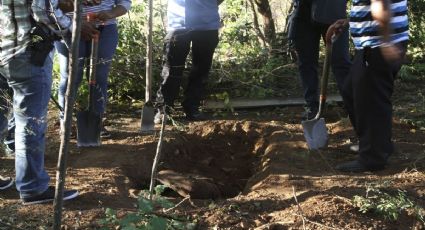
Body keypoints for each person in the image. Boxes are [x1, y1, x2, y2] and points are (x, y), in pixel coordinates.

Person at [0, 0, 79, 204]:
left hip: (3, 50)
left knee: (3, 115)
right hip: (27, 53)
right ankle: (32, 188)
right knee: (30, 122)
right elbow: (43, 9)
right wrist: (72, 26)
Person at [326, 0, 409, 172]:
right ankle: (374, 144)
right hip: (372, 45)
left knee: (371, 101)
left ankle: (373, 158)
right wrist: (351, 21)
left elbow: (381, 4)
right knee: (351, 91)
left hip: (377, 45)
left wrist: (386, 41)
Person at [55, 0, 131, 137]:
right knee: (71, 77)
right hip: (68, 27)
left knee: (99, 76)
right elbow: (50, 5)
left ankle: (96, 121)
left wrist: (110, 13)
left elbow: (125, 3)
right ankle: (65, 122)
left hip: (105, 29)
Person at [155, 0, 223, 122]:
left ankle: (192, 108)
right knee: (172, 69)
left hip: (208, 25)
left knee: (201, 69)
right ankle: (164, 109)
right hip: (178, 24)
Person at [290, 0, 351, 120]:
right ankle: (312, 108)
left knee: (341, 63)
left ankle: (353, 105)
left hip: (334, 13)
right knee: (306, 64)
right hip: (303, 14)